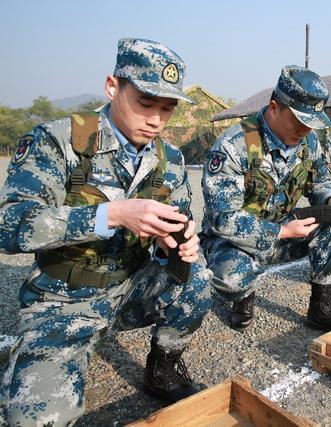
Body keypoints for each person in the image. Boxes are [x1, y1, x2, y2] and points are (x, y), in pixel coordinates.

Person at [0, 38, 213, 426]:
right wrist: (111, 215)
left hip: (130, 286)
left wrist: (177, 243)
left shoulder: (170, 160)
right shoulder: (60, 140)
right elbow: (9, 225)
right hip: (64, 300)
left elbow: (176, 223)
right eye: (146, 104)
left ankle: (162, 368)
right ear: (112, 87)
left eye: (167, 109)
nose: (156, 120)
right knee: (37, 419)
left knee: (197, 276)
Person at [200, 66, 331, 332]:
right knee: (231, 278)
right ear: (274, 107)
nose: (305, 130)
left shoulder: (308, 142)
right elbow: (223, 220)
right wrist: (280, 231)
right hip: (237, 240)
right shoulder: (235, 145)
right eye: (299, 121)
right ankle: (243, 296)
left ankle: (322, 306)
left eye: (311, 124)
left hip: (287, 227)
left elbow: (320, 181)